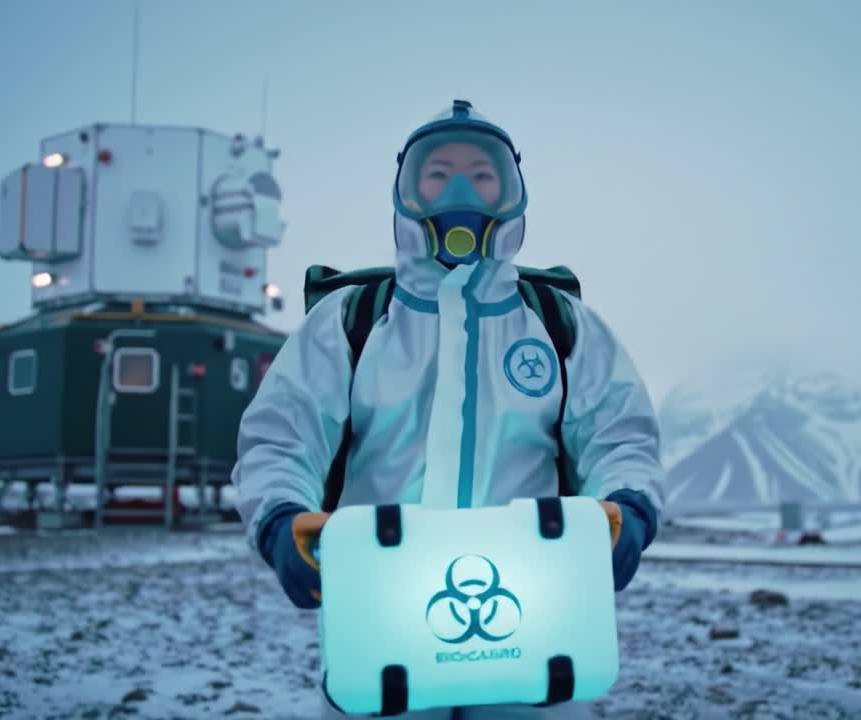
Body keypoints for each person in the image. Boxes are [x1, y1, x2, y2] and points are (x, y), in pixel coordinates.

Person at [230, 100, 665, 719]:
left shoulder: (559, 323)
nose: (460, 188)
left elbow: (619, 434)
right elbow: (283, 435)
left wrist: (629, 507)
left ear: (512, 192)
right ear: (406, 190)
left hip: (534, 616)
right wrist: (279, 519)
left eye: (482, 174)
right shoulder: (351, 320)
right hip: (383, 614)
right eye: (438, 172)